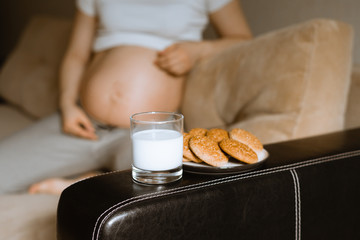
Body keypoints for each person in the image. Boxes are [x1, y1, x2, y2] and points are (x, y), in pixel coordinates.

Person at [0, 0, 252, 195]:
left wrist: (199, 50)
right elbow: (77, 54)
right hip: (84, 123)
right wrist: (67, 105)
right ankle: (98, 179)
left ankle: (88, 183)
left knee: (165, 195)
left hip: (150, 133)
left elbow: (243, 39)